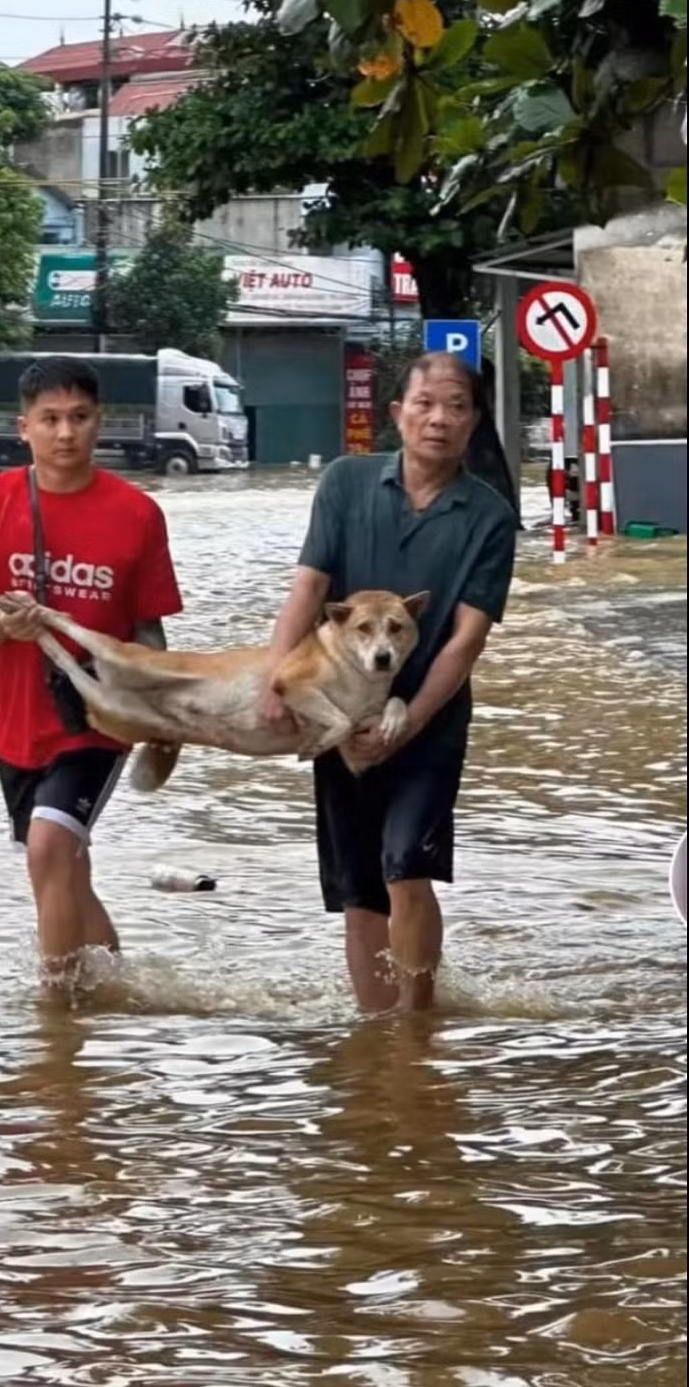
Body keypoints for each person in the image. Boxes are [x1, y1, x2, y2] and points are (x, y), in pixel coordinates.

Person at [262, 351, 517, 1015]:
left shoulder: (488, 516)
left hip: (428, 720)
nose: (439, 419)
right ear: (397, 413)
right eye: (425, 404)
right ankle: (376, 1029)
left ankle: (417, 1021)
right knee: (359, 886)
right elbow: (309, 586)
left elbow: (465, 639)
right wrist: (273, 680)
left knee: (407, 864)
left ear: (475, 421)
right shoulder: (345, 484)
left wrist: (409, 723)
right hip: (338, 712)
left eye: (456, 406)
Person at [0, 356, 184, 984]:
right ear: (23, 427)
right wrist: (4, 626)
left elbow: (150, 631)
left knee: (50, 848)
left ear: (99, 422)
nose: (65, 433)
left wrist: (153, 705)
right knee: (64, 871)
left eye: (79, 418)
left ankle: (56, 1017)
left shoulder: (137, 514)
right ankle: (119, 989)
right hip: (18, 726)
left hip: (96, 720)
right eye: (50, 419)